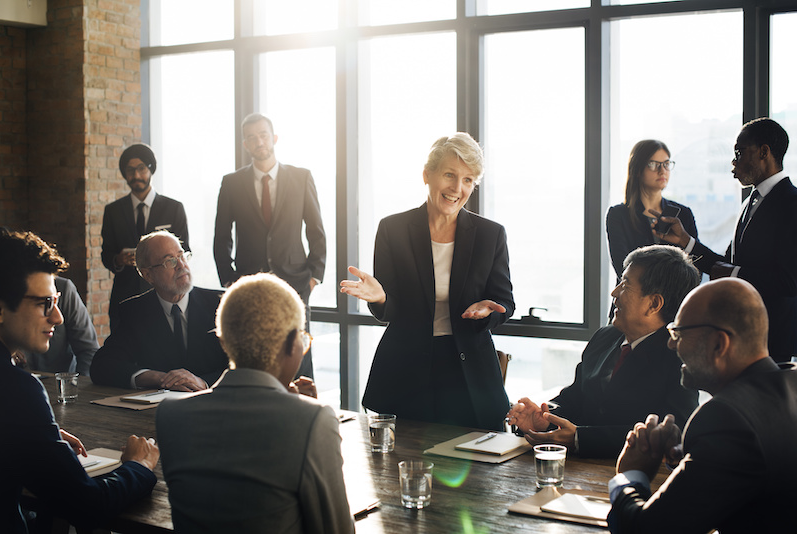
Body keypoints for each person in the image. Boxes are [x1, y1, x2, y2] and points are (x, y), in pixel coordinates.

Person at [340, 133, 514, 431]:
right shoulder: (393, 229)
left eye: (468, 180)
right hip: (406, 368)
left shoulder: (490, 235)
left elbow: (504, 301)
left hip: (467, 371)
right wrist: (381, 298)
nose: (457, 188)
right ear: (427, 174)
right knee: (397, 467)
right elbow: (391, 308)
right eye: (449, 175)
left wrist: (488, 311)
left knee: (477, 471)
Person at [156, 273, 353, 533]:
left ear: (224, 341)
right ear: (293, 343)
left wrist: (294, 407)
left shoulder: (170, 415)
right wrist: (304, 415)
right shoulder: (313, 422)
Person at [0, 230, 158, 534]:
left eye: (56, 301)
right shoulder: (18, 391)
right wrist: (139, 466)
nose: (57, 317)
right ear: (0, 309)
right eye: (45, 303)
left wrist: (33, 433)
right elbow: (89, 506)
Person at [608, 278, 797, 533]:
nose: (670, 344)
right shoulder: (790, 382)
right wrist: (686, 456)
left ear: (719, 344)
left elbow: (646, 530)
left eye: (679, 333)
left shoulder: (727, 418)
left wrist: (629, 475)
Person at [507, 245, 700, 458]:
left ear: (654, 303)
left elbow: (675, 431)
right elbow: (576, 397)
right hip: (578, 471)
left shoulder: (679, 355)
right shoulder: (605, 337)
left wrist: (581, 438)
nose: (614, 292)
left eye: (625, 285)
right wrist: (543, 417)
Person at [655, 117, 797, 361]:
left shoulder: (792, 204)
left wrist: (734, 275)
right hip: (741, 335)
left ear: (764, 152)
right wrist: (686, 242)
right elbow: (725, 265)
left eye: (739, 152)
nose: (733, 162)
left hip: (773, 342)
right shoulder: (748, 204)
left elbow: (790, 281)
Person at [213, 113, 326, 379]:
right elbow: (221, 237)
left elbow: (316, 231)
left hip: (296, 283)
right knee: (253, 353)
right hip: (248, 283)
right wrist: (230, 281)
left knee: (299, 353)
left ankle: (306, 411)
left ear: (274, 138)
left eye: (263, 135)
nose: (259, 141)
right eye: (251, 137)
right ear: (245, 145)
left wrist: (314, 278)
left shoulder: (301, 177)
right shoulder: (232, 183)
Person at [91, 230, 227, 391]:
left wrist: (202, 382)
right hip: (157, 410)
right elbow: (102, 365)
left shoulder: (221, 303)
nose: (181, 265)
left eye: (181, 256)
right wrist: (158, 378)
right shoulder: (135, 311)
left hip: (215, 405)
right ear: (148, 274)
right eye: (169, 261)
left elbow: (248, 366)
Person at [101, 143, 189, 328]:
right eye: (130, 170)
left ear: (151, 169)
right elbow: (106, 254)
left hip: (165, 294)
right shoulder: (113, 211)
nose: (136, 175)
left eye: (141, 168)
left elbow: (186, 250)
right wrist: (118, 259)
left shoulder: (173, 208)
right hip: (124, 296)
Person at [606, 140, 698, 280]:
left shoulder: (683, 213)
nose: (662, 171)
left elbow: (695, 267)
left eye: (666, 164)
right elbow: (623, 268)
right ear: (637, 169)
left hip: (675, 300)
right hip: (632, 298)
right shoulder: (619, 215)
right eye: (653, 164)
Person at [21, 276, 99, 375]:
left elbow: (89, 350)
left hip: (62, 385)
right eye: (44, 303)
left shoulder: (63, 287)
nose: (59, 319)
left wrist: (75, 387)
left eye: (55, 301)